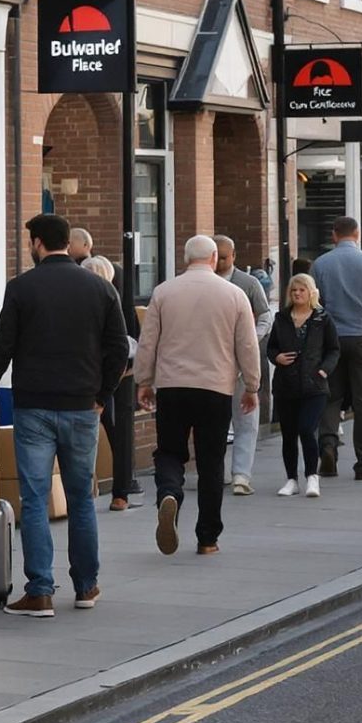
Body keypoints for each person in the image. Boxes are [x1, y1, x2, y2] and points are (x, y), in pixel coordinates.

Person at [0, 215, 126, 617]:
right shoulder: (100, 288)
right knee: (81, 501)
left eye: (30, 241)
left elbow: (4, 344)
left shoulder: (22, 288)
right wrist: (103, 395)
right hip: (81, 406)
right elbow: (118, 349)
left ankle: (40, 591)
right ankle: (86, 587)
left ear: (38, 243)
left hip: (35, 407)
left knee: (36, 500)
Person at [134, 236, 261, 557]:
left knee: (169, 452)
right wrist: (252, 386)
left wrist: (144, 381)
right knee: (211, 462)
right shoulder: (233, 294)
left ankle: (170, 493)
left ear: (185, 257)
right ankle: (207, 539)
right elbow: (247, 344)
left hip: (172, 387)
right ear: (215, 256)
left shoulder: (163, 292)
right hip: (215, 388)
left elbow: (148, 341)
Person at [311, 218, 362, 481]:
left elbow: (314, 304)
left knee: (330, 398)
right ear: (357, 234)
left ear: (334, 234)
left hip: (332, 339)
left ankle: (327, 448)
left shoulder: (320, 264)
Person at [80, 255, 144, 510]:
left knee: (88, 437)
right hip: (114, 379)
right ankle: (120, 493)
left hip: (93, 379)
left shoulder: (85, 305)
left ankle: (93, 489)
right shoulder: (117, 301)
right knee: (116, 436)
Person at [265, 273, 337, 497]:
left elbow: (334, 349)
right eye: (294, 290)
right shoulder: (281, 318)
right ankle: (291, 479)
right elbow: (271, 347)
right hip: (286, 385)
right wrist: (276, 358)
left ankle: (312, 477)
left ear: (311, 293)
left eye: (301, 290)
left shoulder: (322, 319)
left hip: (314, 385)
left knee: (306, 429)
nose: (297, 293)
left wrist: (324, 369)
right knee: (288, 434)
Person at [214, 236, 273, 496]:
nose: (220, 263)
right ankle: (215, 472)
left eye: (224, 257)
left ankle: (241, 475)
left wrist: (252, 339)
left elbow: (265, 315)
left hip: (242, 363)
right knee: (214, 422)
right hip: (213, 364)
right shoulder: (206, 284)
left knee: (245, 421)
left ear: (234, 256)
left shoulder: (249, 284)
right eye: (217, 257)